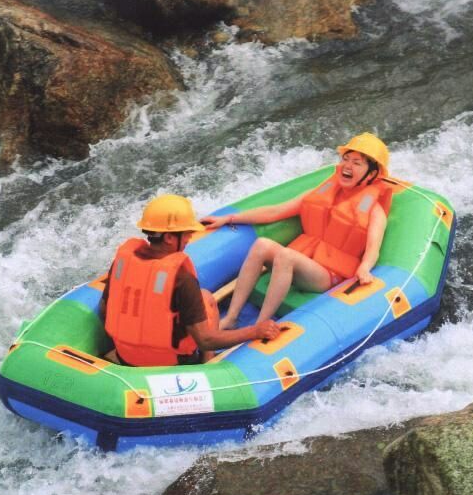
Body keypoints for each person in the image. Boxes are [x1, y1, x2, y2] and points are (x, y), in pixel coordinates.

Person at [201, 133, 393, 330]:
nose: (347, 166)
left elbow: (373, 247)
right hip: (304, 259)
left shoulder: (375, 210)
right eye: (345, 159)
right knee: (262, 245)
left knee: (286, 256)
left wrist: (365, 268)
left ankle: (260, 325)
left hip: (329, 274)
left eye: (357, 163)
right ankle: (232, 316)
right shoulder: (323, 192)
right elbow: (275, 212)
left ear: (372, 173)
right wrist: (229, 218)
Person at [100, 194, 280, 367]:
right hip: (170, 362)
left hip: (126, 356)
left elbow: (105, 309)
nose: (189, 238)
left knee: (202, 297)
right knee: (207, 300)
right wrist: (255, 331)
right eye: (186, 233)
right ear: (170, 237)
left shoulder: (122, 263)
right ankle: (207, 364)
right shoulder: (181, 279)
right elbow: (206, 340)